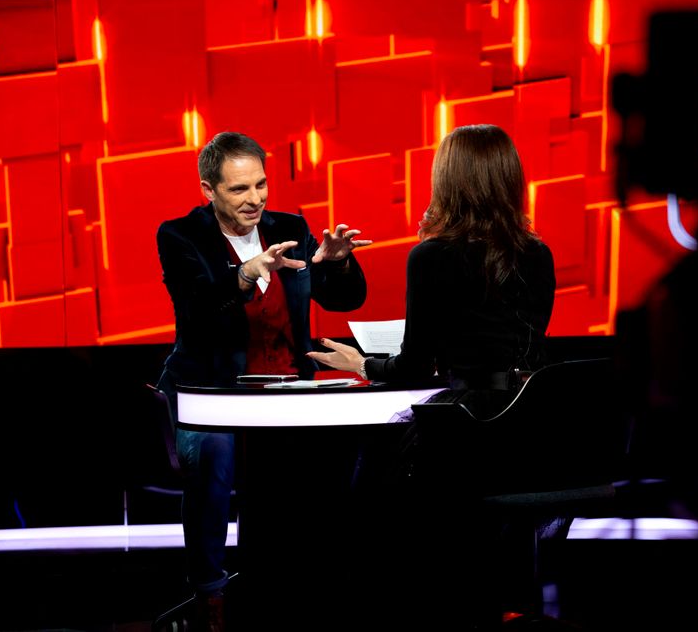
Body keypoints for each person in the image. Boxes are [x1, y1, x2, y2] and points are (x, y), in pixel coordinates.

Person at [307, 123, 556, 627]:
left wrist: (362, 364)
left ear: (447, 181)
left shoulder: (431, 256)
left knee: (367, 483)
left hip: (465, 430)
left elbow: (413, 368)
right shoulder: (538, 253)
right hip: (530, 433)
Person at [155, 131, 369, 630]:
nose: (255, 199)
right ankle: (210, 591)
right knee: (216, 453)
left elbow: (344, 299)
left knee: (340, 455)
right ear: (208, 190)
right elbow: (198, 309)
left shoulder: (290, 227)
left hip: (286, 392)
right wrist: (246, 274)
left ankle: (311, 587)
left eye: (261, 185)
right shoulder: (181, 236)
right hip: (208, 393)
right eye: (239, 189)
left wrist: (338, 262)